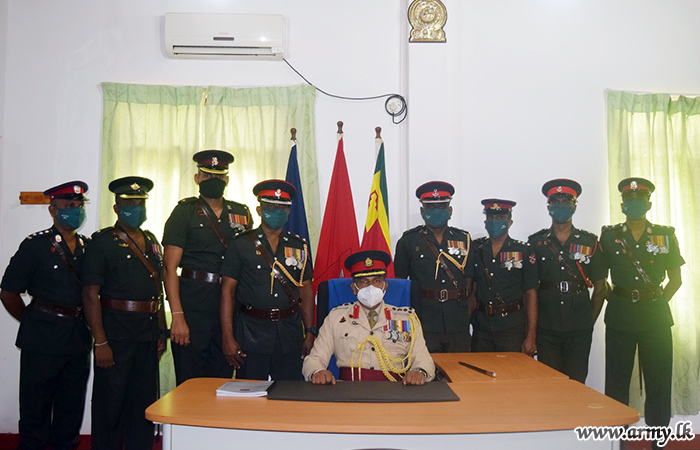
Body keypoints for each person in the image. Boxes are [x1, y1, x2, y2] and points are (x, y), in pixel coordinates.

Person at [0, 181, 91, 450]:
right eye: (68, 206)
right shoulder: (35, 246)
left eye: (79, 206)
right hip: (41, 341)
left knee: (70, 410)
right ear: (53, 210)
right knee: (35, 411)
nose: (75, 210)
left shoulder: (89, 247)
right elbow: (8, 292)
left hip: (77, 339)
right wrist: (33, 320)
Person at [81, 176, 167, 450]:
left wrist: (161, 332)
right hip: (115, 336)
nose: (136, 209)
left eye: (140, 203)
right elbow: (90, 294)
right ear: (117, 208)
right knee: (110, 404)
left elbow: (158, 290)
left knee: (142, 404)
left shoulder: (151, 241)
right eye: (130, 204)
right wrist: (100, 342)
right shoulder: (102, 242)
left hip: (147, 334)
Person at [600, 177, 683, 446]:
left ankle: (658, 442)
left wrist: (655, 301)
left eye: (639, 200)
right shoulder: (610, 236)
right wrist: (620, 299)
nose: (633, 204)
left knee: (658, 382)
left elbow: (676, 280)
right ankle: (618, 443)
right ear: (622, 205)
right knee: (616, 383)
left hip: (655, 318)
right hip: (620, 316)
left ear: (648, 204)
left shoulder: (664, 235)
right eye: (629, 200)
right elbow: (600, 278)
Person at [162, 150, 252, 385]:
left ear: (227, 180)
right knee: (189, 383)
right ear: (197, 178)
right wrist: (177, 316)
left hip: (230, 308)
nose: (214, 180)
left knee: (222, 382)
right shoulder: (184, 212)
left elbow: (249, 263)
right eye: (208, 175)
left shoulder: (241, 214)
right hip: (193, 307)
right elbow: (169, 268)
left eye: (219, 176)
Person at [220, 179, 314, 380]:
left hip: (289, 334)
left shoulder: (299, 246)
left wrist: (309, 331)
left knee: (288, 394)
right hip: (251, 333)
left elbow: (305, 290)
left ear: (288, 212)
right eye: (271, 207)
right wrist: (227, 337)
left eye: (282, 207)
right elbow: (227, 291)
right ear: (259, 210)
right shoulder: (241, 244)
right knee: (250, 394)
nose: (277, 211)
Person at [303, 250, 435, 385]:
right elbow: (314, 358)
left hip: (393, 390)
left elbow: (424, 360)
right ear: (354, 288)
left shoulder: (407, 318)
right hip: (348, 391)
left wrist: (420, 372)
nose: (371, 287)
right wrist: (317, 371)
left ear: (385, 286)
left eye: (376, 281)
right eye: (363, 281)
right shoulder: (336, 317)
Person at [528, 179, 607, 383]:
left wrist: (588, 322)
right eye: (556, 202)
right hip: (547, 327)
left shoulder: (589, 242)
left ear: (575, 206)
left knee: (577, 382)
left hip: (579, 328)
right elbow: (530, 290)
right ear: (548, 207)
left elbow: (600, 288)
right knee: (549, 384)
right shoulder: (536, 243)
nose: (561, 206)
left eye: (566, 201)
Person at [394, 181, 474, 353]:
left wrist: (466, 315)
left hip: (457, 321)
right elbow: (400, 284)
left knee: (459, 367)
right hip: (424, 320)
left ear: (450, 210)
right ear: (422, 211)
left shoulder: (464, 240)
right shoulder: (408, 241)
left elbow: (470, 280)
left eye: (441, 207)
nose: (436, 211)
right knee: (425, 367)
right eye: (431, 207)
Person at [471, 199, 538, 355]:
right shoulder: (476, 249)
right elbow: (471, 290)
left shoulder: (523, 251)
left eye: (500, 218)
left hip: (512, 327)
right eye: (490, 217)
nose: (494, 222)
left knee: (511, 370)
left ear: (509, 222)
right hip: (482, 328)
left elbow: (531, 294)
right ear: (485, 221)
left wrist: (531, 335)